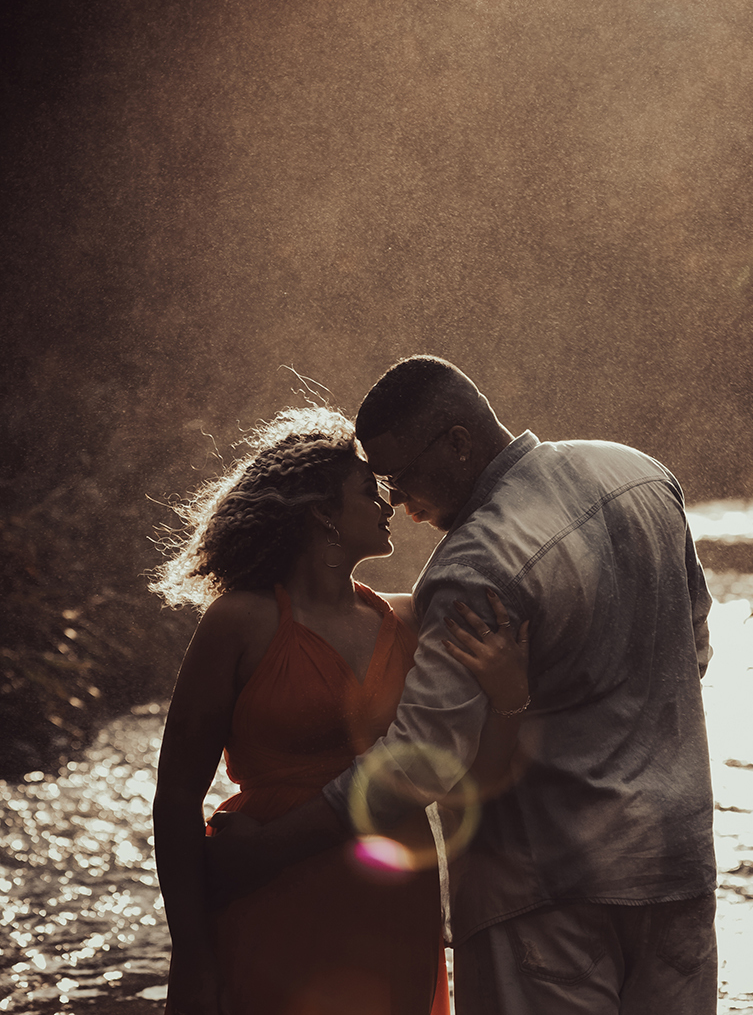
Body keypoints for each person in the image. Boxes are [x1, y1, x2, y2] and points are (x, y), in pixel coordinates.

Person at [209, 357, 718, 1014]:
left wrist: (266, 850)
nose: (396, 500)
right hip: (675, 863)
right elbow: (693, 646)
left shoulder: (475, 562)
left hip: (546, 891)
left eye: (400, 475)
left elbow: (419, 762)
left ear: (457, 442)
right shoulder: (640, 474)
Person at [151, 404, 530, 1015]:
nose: (389, 503)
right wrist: (192, 955)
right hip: (270, 891)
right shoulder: (239, 622)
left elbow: (467, 779)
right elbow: (175, 797)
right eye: (368, 491)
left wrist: (510, 696)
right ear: (322, 512)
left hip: (394, 899)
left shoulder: (413, 618)